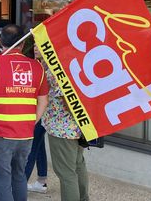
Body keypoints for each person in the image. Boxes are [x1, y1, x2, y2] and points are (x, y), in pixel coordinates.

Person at [0, 24, 48, 201]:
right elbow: (43, 101)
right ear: (22, 44)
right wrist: (30, 121)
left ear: (0, 42)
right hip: (25, 135)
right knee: (19, 175)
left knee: (2, 179)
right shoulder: (37, 67)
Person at [38, 46, 89, 201]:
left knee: (66, 172)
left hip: (62, 129)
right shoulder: (73, 64)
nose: (35, 48)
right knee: (78, 165)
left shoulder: (56, 70)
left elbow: (67, 100)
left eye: (38, 45)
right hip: (78, 127)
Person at [25, 120, 48, 193]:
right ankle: (41, 182)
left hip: (38, 113)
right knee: (39, 143)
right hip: (43, 113)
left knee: (32, 146)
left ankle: (19, 185)